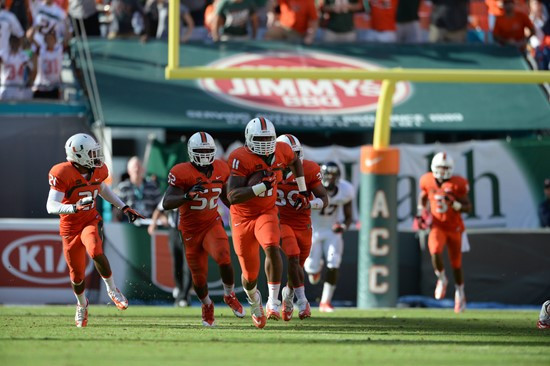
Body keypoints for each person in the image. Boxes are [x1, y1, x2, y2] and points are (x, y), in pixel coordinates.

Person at [46, 133, 145, 327]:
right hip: (69, 227)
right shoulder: (62, 172)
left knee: (95, 249)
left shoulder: (98, 170)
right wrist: (74, 208)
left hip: (90, 220)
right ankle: (82, 304)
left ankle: (112, 290)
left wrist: (123, 207)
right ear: (78, 154)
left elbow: (102, 189)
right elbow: (50, 205)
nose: (95, 156)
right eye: (91, 153)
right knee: (77, 275)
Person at [226, 117, 309, 329]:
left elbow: (295, 162)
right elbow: (233, 195)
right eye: (259, 138)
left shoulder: (282, 150)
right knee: (249, 276)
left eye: (268, 138)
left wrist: (302, 190)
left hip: (266, 211)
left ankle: (273, 302)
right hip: (242, 217)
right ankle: (255, 301)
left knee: (272, 246)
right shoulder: (239, 157)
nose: (264, 142)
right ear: (249, 138)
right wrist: (259, 187)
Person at [162, 131, 245, 327]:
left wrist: (240, 208)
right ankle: (207, 305)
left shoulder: (221, 168)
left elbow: (226, 197)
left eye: (208, 150)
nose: (204, 154)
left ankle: (229, 294)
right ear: (191, 152)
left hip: (211, 223)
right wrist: (186, 196)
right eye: (200, 151)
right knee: (198, 279)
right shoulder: (181, 172)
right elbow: (167, 202)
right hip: (190, 231)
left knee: (224, 256)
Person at [276, 134, 329, 321]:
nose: (293, 159)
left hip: (303, 224)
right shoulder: (270, 170)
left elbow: (324, 200)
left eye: (295, 154)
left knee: (297, 265)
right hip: (280, 221)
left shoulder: (308, 169)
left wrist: (309, 204)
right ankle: (303, 301)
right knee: (293, 255)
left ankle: (288, 295)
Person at [417, 152, 471, 313]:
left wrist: (455, 205)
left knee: (456, 265)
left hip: (455, 228)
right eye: (440, 167)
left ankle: (459, 293)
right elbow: (423, 196)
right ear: (434, 167)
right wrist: (421, 211)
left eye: (445, 167)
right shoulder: (427, 180)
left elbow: (468, 206)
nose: (442, 170)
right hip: (437, 225)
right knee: (435, 251)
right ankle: (441, 278)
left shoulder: (458, 183)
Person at [304, 161, 354, 313]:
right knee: (311, 269)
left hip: (332, 231)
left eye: (333, 175)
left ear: (338, 177)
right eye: (327, 175)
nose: (329, 178)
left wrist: (343, 226)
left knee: (334, 262)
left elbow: (348, 216)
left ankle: (325, 301)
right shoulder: (311, 187)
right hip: (313, 230)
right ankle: (315, 269)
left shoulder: (345, 190)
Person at [148, 201, 192, 307]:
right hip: (174, 231)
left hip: (189, 231)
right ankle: (180, 291)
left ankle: (184, 296)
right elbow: (159, 209)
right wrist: (153, 223)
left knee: (189, 265)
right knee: (176, 263)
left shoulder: (192, 193)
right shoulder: (172, 193)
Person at [114, 156, 162, 221]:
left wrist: (161, 216)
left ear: (143, 169)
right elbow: (117, 208)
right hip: (129, 223)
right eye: (134, 167)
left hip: (149, 222)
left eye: (138, 167)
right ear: (129, 171)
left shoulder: (152, 186)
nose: (136, 169)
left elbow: (160, 205)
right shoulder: (123, 187)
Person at [0, 35, 36, 101]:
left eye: (16, 42)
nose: (14, 44)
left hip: (18, 87)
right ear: (9, 43)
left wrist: (30, 80)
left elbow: (31, 69)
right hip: (6, 86)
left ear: (19, 43)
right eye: (13, 42)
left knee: (17, 109)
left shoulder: (23, 55)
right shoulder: (4, 54)